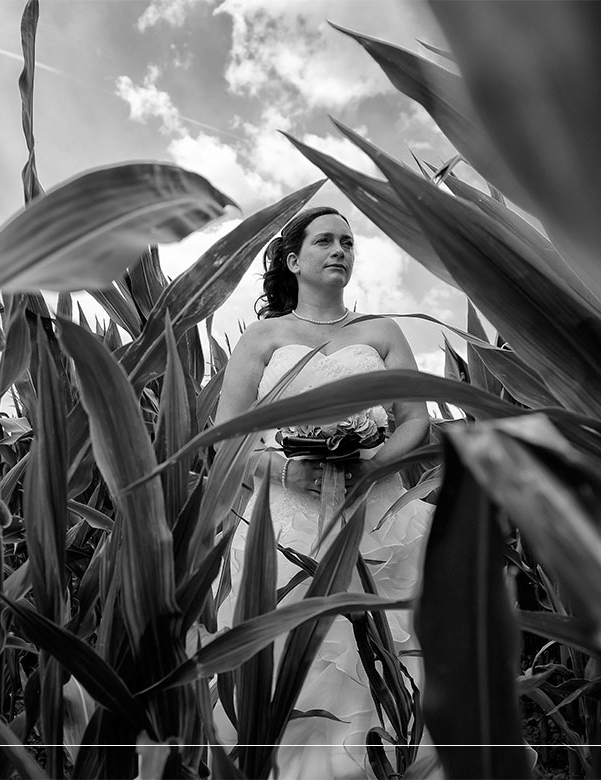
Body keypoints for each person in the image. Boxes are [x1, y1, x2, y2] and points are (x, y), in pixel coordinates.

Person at [211, 206, 435, 778]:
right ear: (293, 260)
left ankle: (387, 754)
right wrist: (286, 473)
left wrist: (374, 466)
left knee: (386, 637)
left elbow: (415, 419)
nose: (340, 249)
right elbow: (225, 440)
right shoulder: (264, 337)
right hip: (283, 521)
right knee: (288, 646)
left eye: (348, 242)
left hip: (375, 512)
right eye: (325, 241)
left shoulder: (381, 332)